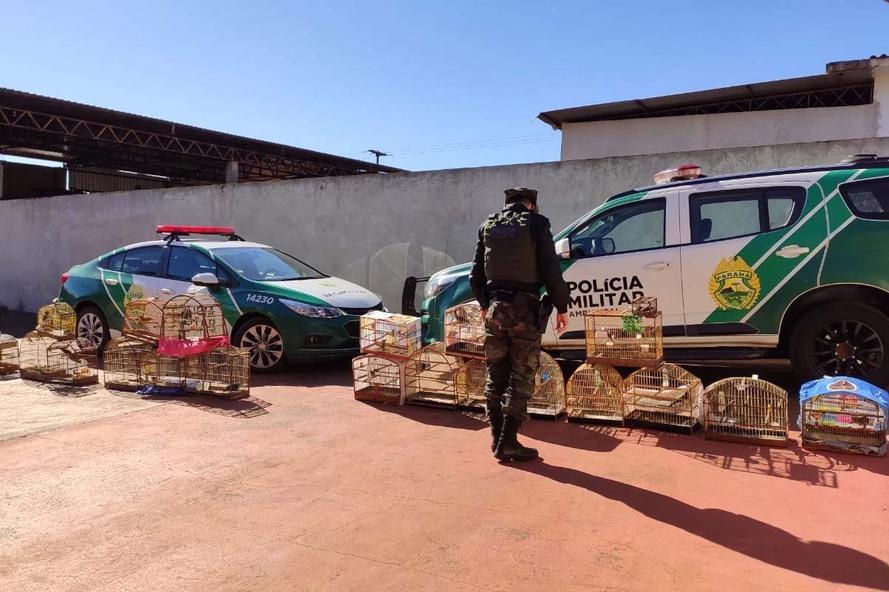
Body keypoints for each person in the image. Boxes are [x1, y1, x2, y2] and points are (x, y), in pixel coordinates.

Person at [470, 187, 570, 462]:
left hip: (494, 312)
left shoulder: (487, 226)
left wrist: (483, 304)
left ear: (507, 205)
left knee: (496, 375)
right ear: (532, 205)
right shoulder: (537, 224)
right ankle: (508, 442)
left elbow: (475, 275)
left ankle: (497, 439)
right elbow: (551, 270)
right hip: (525, 312)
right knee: (522, 376)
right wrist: (562, 306)